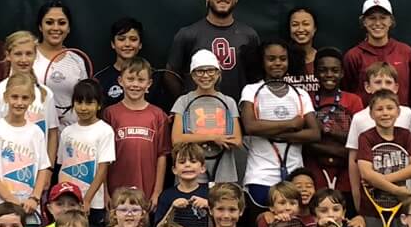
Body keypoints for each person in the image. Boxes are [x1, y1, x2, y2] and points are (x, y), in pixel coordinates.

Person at [239, 40, 319, 210]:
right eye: (271, 59)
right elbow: (250, 127)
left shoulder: (301, 94)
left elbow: (314, 133)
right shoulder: (251, 90)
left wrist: (273, 132)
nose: (277, 63)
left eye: (283, 59)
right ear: (261, 61)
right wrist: (291, 124)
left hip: (295, 177)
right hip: (260, 177)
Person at [165, 0, 261, 103]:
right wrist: (186, 103)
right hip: (198, 115)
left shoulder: (249, 35)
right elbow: (171, 75)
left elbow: (255, 78)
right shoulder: (187, 34)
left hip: (237, 116)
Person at [351, 89, 411, 227]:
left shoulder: (405, 135)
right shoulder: (365, 138)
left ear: (398, 112)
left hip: (400, 209)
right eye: (379, 109)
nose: (385, 113)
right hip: (372, 209)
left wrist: (380, 180)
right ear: (371, 114)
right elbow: (366, 173)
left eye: (390, 108)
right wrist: (398, 190)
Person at [0, 75, 49, 222]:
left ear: (31, 99)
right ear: (5, 97)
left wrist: (34, 198)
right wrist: (10, 200)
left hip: (30, 208)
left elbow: (43, 168)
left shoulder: (36, 132)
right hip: (2, 207)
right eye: (14, 97)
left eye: (24, 98)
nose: (19, 102)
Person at [170, 48, 244, 184]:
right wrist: (214, 138)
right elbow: (177, 139)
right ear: (193, 75)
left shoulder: (229, 102)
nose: (205, 76)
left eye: (210, 70)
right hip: (190, 175)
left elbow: (237, 140)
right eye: (200, 71)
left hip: (224, 173)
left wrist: (193, 138)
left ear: (218, 73)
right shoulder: (183, 101)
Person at [103, 57, 169, 208]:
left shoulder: (158, 115)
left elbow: (162, 155)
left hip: (146, 192)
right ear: (120, 81)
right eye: (130, 79)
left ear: (149, 84)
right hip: (116, 192)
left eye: (141, 80)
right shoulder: (110, 114)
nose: (135, 84)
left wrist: (157, 192)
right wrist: (104, 191)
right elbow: (103, 158)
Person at [53, 80, 117, 220]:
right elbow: (63, 167)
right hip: (67, 201)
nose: (83, 108)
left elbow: (102, 170)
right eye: (79, 102)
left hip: (92, 202)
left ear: (99, 105)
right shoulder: (67, 132)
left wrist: (87, 200)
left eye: (89, 103)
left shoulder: (105, 131)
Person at [305, 48, 359, 198]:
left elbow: (355, 142)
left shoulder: (353, 100)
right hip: (314, 170)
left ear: (342, 73)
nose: (329, 75)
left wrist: (326, 130)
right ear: (315, 73)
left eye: (335, 70)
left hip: (345, 174)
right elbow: (304, 144)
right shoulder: (305, 99)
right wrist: (341, 150)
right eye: (323, 70)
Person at [343, 0, 411, 101]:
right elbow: (348, 94)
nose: (377, 23)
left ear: (391, 21)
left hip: (400, 115)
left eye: (383, 18)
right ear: (364, 22)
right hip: (365, 116)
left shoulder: (406, 52)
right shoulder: (353, 56)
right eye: (372, 18)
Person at [34, 2, 93, 128]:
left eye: (62, 23)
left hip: (71, 137)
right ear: (40, 26)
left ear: (69, 28)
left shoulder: (77, 61)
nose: (55, 28)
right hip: (37, 134)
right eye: (49, 22)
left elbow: (86, 98)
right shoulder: (27, 56)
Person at [0, 33, 50, 133]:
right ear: (8, 55)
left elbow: (52, 132)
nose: (24, 59)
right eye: (18, 54)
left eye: (29, 53)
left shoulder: (46, 93)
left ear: (35, 55)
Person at [152, 141, 214, 227]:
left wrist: (209, 206)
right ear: (174, 170)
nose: (187, 165)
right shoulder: (167, 195)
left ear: (203, 168)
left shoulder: (210, 194)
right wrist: (172, 209)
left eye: (193, 161)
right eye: (182, 162)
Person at [93, 17, 146, 105]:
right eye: (121, 39)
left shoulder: (152, 77)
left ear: (140, 44)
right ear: (113, 44)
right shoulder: (100, 79)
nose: (127, 44)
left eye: (133, 39)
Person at [284, 6, 323, 99]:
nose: (300, 29)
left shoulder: (323, 60)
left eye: (306, 24)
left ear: (314, 28)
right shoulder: (282, 61)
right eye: (295, 24)